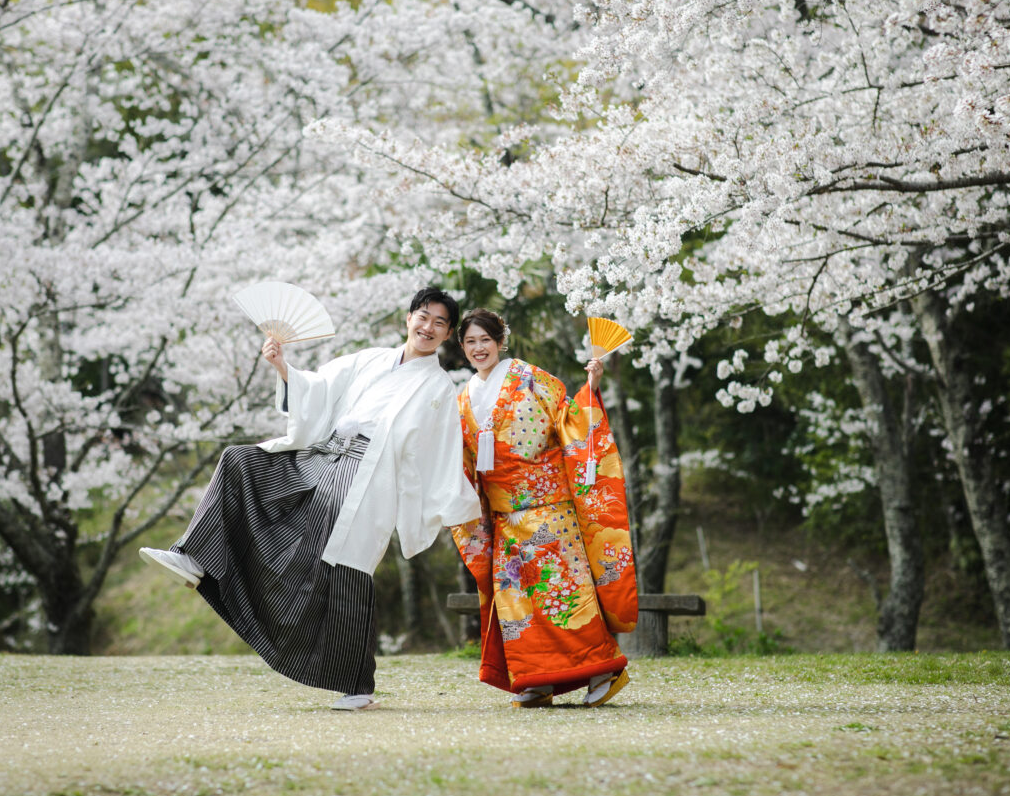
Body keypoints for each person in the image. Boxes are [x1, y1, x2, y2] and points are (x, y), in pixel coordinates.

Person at [140, 288, 480, 711]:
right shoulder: (370, 358)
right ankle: (194, 558)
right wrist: (283, 366)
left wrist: (457, 508)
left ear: (447, 334)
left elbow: (442, 450)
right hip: (325, 454)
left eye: (440, 323)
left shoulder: (438, 389)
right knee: (240, 460)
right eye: (423, 317)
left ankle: (357, 685)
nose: (428, 327)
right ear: (407, 318)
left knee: (344, 565)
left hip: (370, 476)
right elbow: (318, 388)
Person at [451, 308, 638, 707]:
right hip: (504, 517)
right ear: (462, 348)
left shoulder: (531, 379)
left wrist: (591, 387)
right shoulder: (464, 397)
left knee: (565, 596)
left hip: (549, 508)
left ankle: (603, 668)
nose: (478, 348)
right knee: (517, 604)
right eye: (470, 342)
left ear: (502, 341)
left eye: (486, 339)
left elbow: (569, 419)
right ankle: (536, 678)